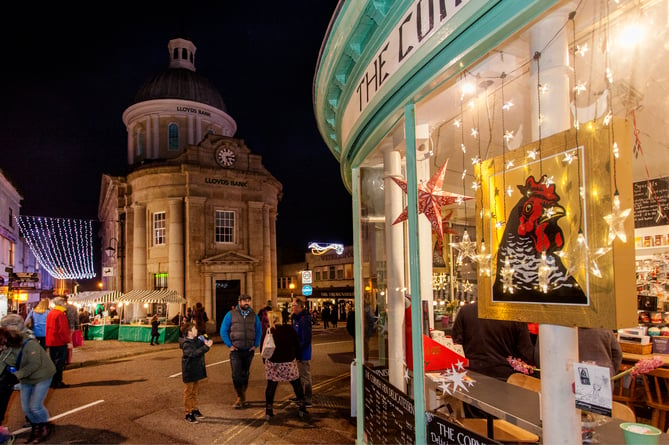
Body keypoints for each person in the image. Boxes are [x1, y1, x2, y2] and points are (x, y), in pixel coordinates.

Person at [0, 314, 56, 443]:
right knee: (26, 408)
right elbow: (3, 360)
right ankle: (36, 428)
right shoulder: (8, 342)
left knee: (35, 406)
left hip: (41, 375)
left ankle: (45, 427)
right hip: (26, 376)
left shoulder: (29, 342)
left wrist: (16, 376)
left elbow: (34, 364)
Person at [452, 301, 535, 381]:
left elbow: (455, 346)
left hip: (470, 375)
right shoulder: (515, 314)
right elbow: (526, 353)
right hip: (506, 379)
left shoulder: (466, 311)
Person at [263, 311, 308, 421]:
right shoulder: (289, 329)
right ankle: (302, 408)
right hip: (288, 362)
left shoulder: (268, 331)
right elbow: (297, 345)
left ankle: (269, 411)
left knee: (271, 387)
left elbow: (262, 348)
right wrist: (298, 357)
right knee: (296, 384)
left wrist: (265, 361)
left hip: (273, 363)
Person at [219, 294, 261, 409]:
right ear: (239, 302)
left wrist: (256, 344)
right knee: (236, 375)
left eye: (248, 301)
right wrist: (229, 345)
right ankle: (240, 397)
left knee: (245, 374)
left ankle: (242, 397)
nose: (247, 303)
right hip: (236, 350)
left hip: (249, 350)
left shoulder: (254, 315)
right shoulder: (230, 315)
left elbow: (259, 330)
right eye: (244, 301)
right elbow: (223, 330)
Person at [180, 321, 213, 423]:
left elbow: (206, 337)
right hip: (189, 371)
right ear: (189, 332)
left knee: (195, 392)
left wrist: (206, 337)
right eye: (195, 329)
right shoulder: (186, 343)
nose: (197, 330)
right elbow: (193, 353)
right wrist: (206, 347)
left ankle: (194, 409)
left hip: (196, 370)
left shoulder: (195, 340)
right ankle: (188, 413)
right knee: (188, 393)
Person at [292, 297, 313, 407]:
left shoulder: (304, 320)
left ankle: (308, 399)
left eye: (294, 306)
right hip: (298, 353)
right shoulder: (297, 318)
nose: (292, 308)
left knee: (305, 375)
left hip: (303, 354)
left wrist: (299, 353)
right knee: (299, 376)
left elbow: (305, 339)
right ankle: (300, 397)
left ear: (300, 307)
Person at [46, 297, 71, 388]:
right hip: (59, 342)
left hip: (51, 341)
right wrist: (67, 340)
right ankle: (57, 382)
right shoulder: (60, 314)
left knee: (53, 362)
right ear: (61, 304)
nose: (65, 305)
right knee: (59, 363)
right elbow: (62, 330)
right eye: (64, 303)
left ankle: (52, 381)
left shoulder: (51, 313)